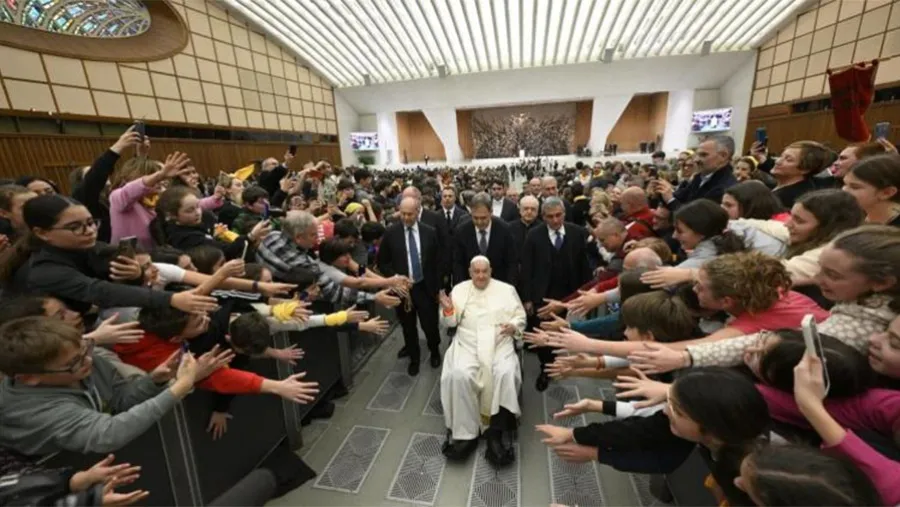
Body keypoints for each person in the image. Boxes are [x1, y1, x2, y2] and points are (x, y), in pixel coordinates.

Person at [0, 317, 207, 455]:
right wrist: (179, 387)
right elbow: (109, 434)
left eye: (86, 348)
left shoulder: (84, 359)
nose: (89, 361)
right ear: (29, 378)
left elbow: (119, 400)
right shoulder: (32, 411)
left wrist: (154, 381)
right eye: (74, 363)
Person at [439, 256, 526, 466]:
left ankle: (495, 434)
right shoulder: (459, 289)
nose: (480, 276)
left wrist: (514, 327)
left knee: (505, 374)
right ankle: (466, 434)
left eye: (484, 271)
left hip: (499, 342)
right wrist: (448, 309)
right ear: (469, 272)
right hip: (467, 343)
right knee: (458, 374)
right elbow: (449, 322)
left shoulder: (507, 289)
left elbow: (520, 316)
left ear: (491, 271)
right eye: (476, 272)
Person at [520, 196, 591, 391]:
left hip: (570, 294)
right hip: (542, 295)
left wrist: (585, 294)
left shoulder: (578, 233)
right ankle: (547, 369)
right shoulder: (534, 235)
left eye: (558, 215)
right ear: (543, 217)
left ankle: (562, 361)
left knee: (566, 331)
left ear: (564, 214)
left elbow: (584, 266)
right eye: (550, 216)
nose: (555, 220)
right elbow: (526, 269)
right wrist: (527, 298)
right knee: (543, 335)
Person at [377, 196, 442, 376]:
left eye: (410, 214)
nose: (406, 218)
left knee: (430, 324)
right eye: (403, 214)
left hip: (425, 287)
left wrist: (438, 288)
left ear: (417, 211)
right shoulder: (391, 233)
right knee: (407, 325)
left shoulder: (429, 232)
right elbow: (383, 262)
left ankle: (435, 350)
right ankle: (414, 357)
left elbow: (437, 261)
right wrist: (396, 278)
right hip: (402, 291)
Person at [654, 135, 737, 210]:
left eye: (703, 155)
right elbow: (680, 197)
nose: (696, 160)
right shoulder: (700, 177)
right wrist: (660, 190)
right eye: (697, 155)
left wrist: (670, 199)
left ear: (723, 156)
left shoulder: (725, 187)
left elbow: (695, 219)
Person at [452, 192, 516, 284]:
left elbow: (511, 263)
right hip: (470, 286)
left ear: (491, 212)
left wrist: (509, 288)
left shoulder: (505, 229)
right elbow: (458, 264)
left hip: (499, 285)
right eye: (475, 218)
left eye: (483, 218)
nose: (479, 222)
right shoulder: (461, 231)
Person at [841, 153, 900, 227]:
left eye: (855, 187)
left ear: (886, 193)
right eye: (845, 184)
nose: (844, 190)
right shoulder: (849, 216)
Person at [771, 141, 833, 208]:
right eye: (781, 156)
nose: (777, 161)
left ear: (805, 169)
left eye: (788, 160)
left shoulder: (791, 199)